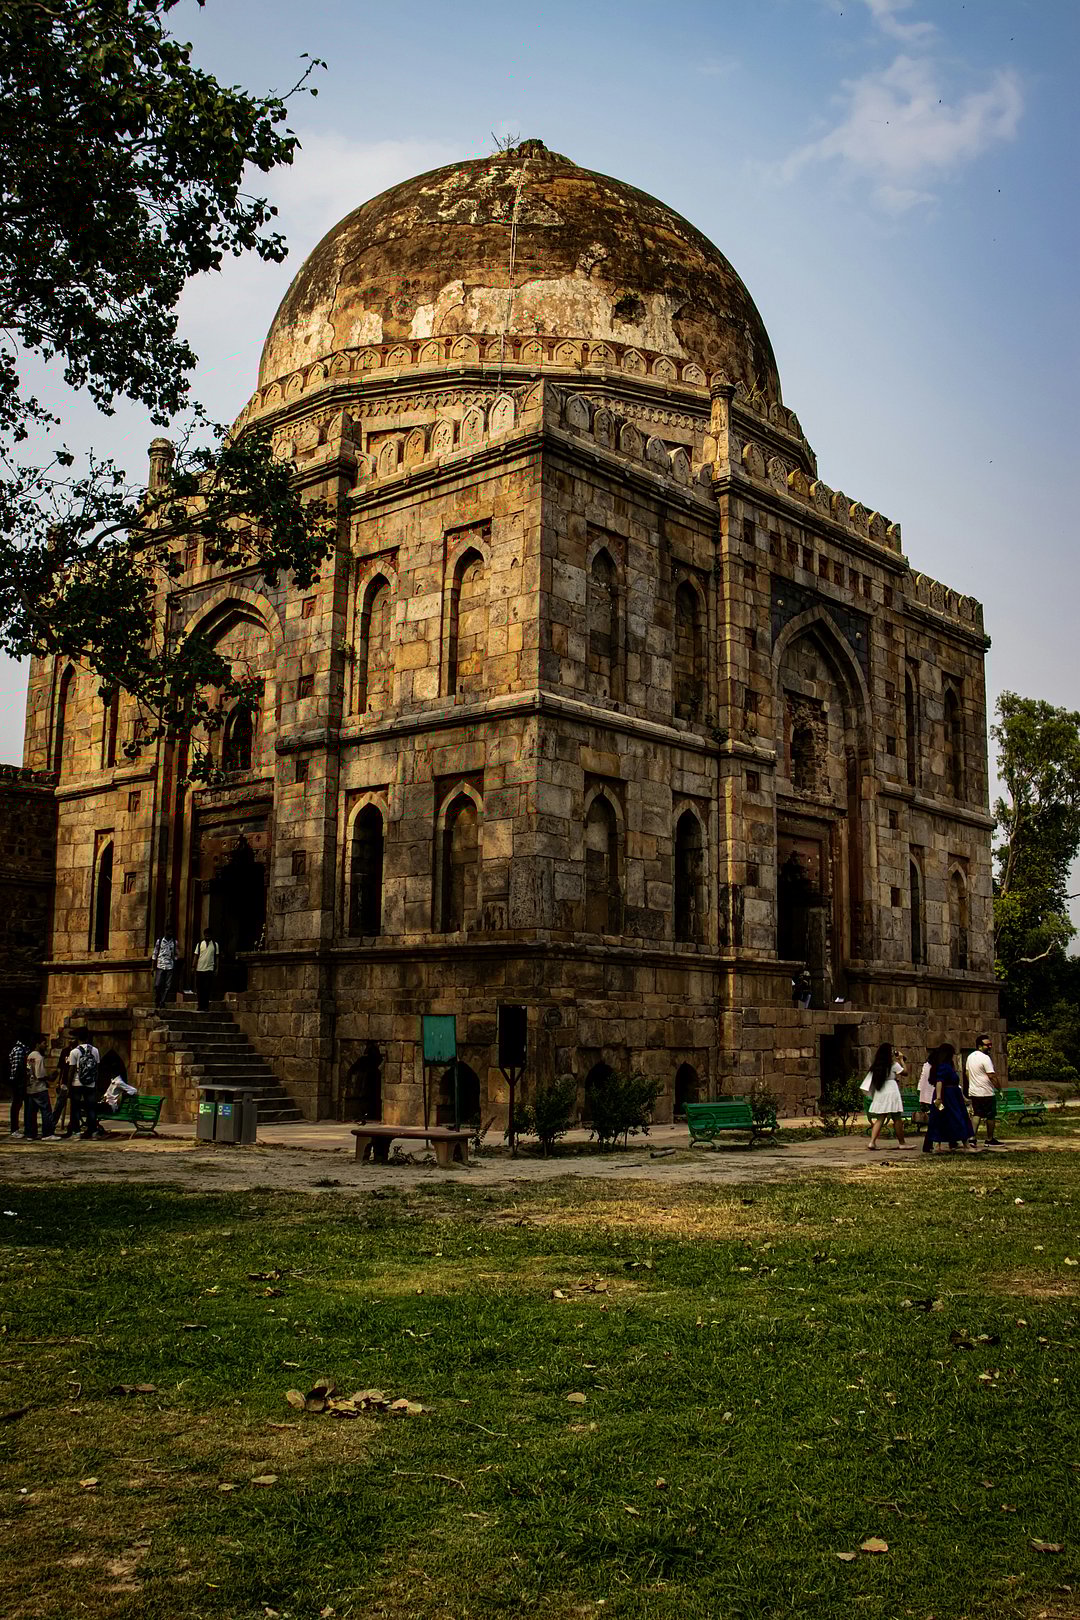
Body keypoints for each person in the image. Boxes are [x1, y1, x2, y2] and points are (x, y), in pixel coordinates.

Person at [922, 1042, 979, 1155]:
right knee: (957, 1118)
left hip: (953, 1095)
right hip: (948, 1096)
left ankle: (944, 1144)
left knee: (947, 1118)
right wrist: (938, 1098)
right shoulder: (944, 1066)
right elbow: (939, 1081)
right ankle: (965, 1144)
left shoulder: (944, 1065)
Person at [863, 1042, 909, 1150]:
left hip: (881, 1091)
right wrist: (901, 1060)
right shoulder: (893, 1064)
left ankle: (872, 1142)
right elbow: (905, 1072)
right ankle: (902, 1143)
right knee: (897, 1118)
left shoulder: (876, 1065)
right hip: (891, 1090)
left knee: (880, 1118)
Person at [64, 1028, 101, 1141]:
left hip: (77, 1083)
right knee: (91, 1108)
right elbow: (97, 1068)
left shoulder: (74, 1052)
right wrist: (95, 1083)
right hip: (90, 1084)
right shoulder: (95, 1050)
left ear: (78, 1038)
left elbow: (71, 1070)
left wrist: (69, 1086)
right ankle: (93, 1132)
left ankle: (76, 1132)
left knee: (75, 1108)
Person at [966, 1034, 1000, 1146]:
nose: (990, 1047)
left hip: (975, 1091)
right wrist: (998, 1088)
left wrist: (972, 1083)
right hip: (986, 1091)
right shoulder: (985, 1058)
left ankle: (972, 1138)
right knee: (990, 1115)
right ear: (980, 1046)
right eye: (987, 1045)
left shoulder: (970, 1057)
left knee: (977, 1114)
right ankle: (990, 1139)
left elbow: (967, 1073)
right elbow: (991, 1075)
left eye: (991, 1044)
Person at [24, 1037, 59, 1142]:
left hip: (30, 1087)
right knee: (46, 1110)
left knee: (31, 1111)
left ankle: (31, 1134)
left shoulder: (30, 1056)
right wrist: (50, 1077)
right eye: (44, 1043)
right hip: (39, 1088)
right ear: (38, 1044)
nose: (46, 1046)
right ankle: (47, 1133)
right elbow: (40, 1075)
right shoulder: (39, 1057)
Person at [152, 924, 179, 1008]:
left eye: (171, 931)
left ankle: (162, 1002)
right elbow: (155, 953)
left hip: (169, 965)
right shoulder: (159, 941)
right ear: (166, 931)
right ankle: (158, 999)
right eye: (169, 931)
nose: (170, 933)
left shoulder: (174, 942)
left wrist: (174, 959)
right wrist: (152, 967)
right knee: (157, 985)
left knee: (168, 986)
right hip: (160, 965)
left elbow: (177, 954)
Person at [7, 1033, 28, 1139]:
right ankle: (14, 1129)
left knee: (19, 1104)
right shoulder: (19, 1050)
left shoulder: (22, 1049)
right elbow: (17, 1067)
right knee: (16, 1105)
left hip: (18, 1080)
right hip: (18, 1081)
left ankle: (21, 1128)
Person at [193, 929, 220, 1012]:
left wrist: (216, 968)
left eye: (209, 934)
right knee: (199, 989)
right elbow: (196, 956)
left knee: (207, 989)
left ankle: (205, 1006)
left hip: (209, 969)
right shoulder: (200, 944)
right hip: (200, 969)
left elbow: (217, 957)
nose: (207, 936)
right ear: (204, 935)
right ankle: (200, 1005)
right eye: (206, 934)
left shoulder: (215, 945)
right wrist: (193, 966)